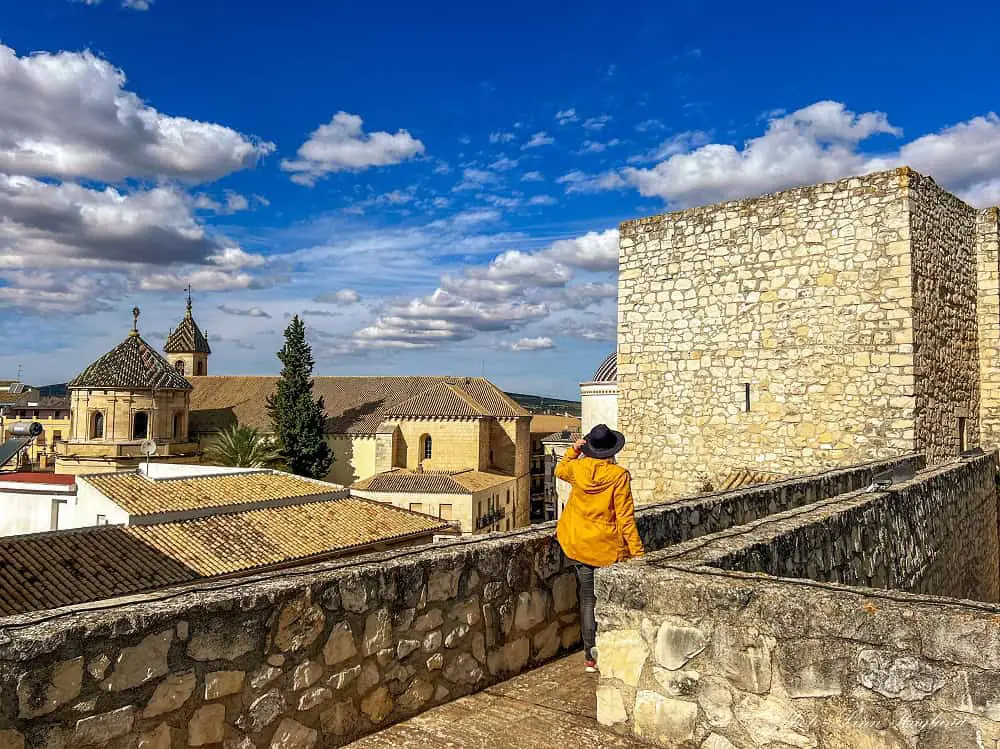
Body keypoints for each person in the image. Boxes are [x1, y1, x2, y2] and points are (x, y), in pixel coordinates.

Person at [555, 423, 644, 673]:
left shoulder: (578, 468)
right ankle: (611, 652)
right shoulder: (618, 475)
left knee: (586, 598)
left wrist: (573, 451)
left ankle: (589, 657)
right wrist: (637, 553)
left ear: (590, 447)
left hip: (577, 542)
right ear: (611, 450)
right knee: (609, 601)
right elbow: (625, 517)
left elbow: (560, 469)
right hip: (605, 547)